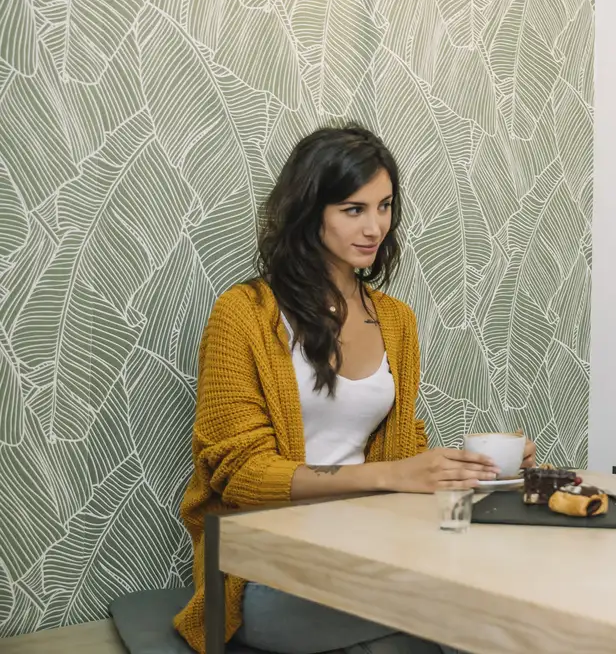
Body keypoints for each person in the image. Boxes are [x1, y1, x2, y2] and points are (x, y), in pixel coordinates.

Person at [173, 124, 536, 654]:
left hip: (371, 545)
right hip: (265, 570)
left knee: (488, 587)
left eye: (384, 207)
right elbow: (240, 475)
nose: (375, 227)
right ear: (310, 212)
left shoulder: (396, 320)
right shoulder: (244, 314)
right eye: (353, 209)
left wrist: (474, 467)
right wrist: (390, 476)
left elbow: (402, 451)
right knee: (460, 618)